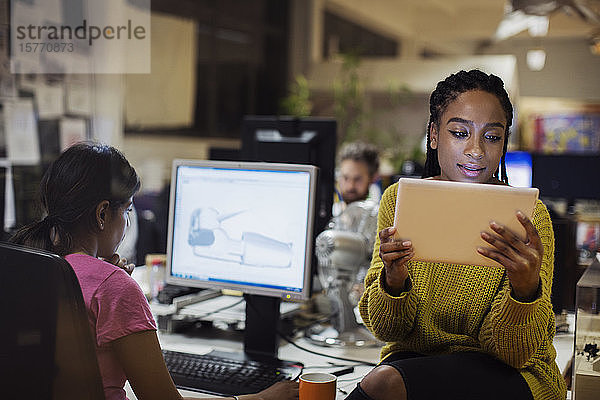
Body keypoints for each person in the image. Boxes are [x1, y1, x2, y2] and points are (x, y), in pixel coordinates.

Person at [9, 143, 298, 400]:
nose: (127, 223)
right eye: (128, 211)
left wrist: (105, 276)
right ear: (101, 214)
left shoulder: (29, 265)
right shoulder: (112, 287)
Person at [343, 70, 566, 400]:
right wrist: (394, 280)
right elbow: (387, 330)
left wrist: (524, 289)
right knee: (385, 379)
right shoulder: (399, 201)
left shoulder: (529, 217)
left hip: (511, 374)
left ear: (504, 141)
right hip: (416, 367)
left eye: (491, 137)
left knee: (383, 383)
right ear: (434, 134)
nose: (476, 150)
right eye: (460, 133)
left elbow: (513, 354)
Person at [334, 142, 381, 216]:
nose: (350, 186)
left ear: (373, 178)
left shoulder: (379, 220)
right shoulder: (332, 215)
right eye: (345, 178)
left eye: (357, 179)